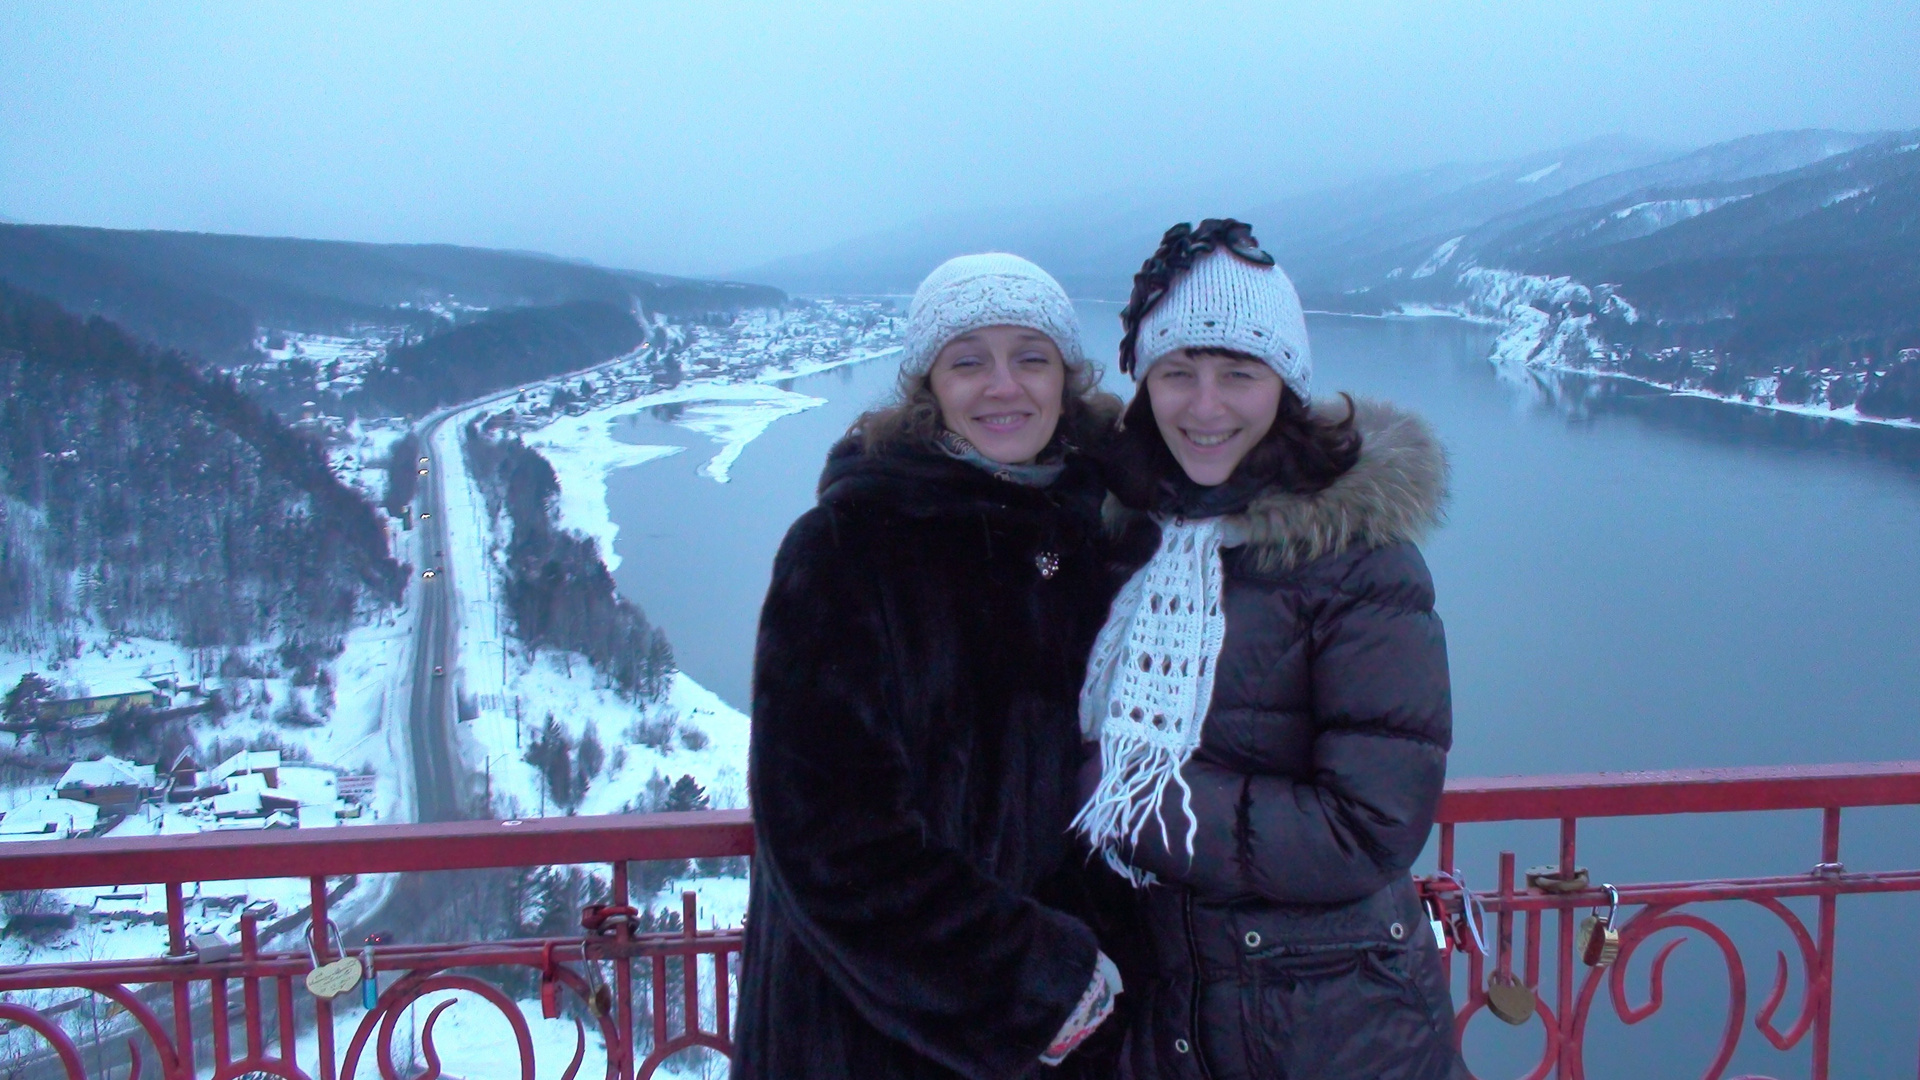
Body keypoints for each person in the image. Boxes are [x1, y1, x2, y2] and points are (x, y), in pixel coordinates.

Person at [1075, 220, 1465, 1080]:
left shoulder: (1361, 561)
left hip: (1331, 1026)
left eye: (1239, 374)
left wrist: (1129, 794)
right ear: (1145, 384)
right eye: (1178, 372)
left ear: (1285, 387)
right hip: (1166, 1016)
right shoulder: (1131, 538)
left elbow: (1369, 827)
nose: (1205, 407)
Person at [736, 253, 1131, 1079]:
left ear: (1065, 378)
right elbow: (826, 833)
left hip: (1057, 1036)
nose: (1002, 386)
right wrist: (1031, 979)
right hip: (868, 1033)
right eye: (968, 361)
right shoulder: (849, 547)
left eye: (1031, 357)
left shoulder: (1095, 530)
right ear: (930, 386)